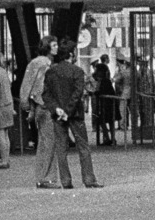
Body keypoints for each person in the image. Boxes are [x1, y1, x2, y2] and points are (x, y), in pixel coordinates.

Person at [43, 39, 102, 189]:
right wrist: (68, 112)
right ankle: (89, 179)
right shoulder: (77, 71)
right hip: (75, 114)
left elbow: (46, 94)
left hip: (57, 115)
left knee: (61, 148)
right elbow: (77, 94)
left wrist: (57, 109)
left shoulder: (51, 72)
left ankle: (66, 181)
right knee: (83, 146)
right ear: (71, 54)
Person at [22, 38, 57, 188]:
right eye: (54, 45)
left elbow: (27, 85)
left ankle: (42, 176)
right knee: (49, 142)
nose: (56, 48)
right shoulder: (45, 64)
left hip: (38, 105)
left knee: (44, 142)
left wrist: (28, 105)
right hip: (46, 104)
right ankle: (46, 177)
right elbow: (42, 85)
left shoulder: (35, 63)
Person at [92, 54, 118, 146]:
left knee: (102, 120)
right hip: (109, 103)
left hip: (105, 104)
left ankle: (107, 138)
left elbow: (98, 91)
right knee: (110, 120)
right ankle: (111, 138)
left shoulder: (102, 81)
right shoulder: (107, 80)